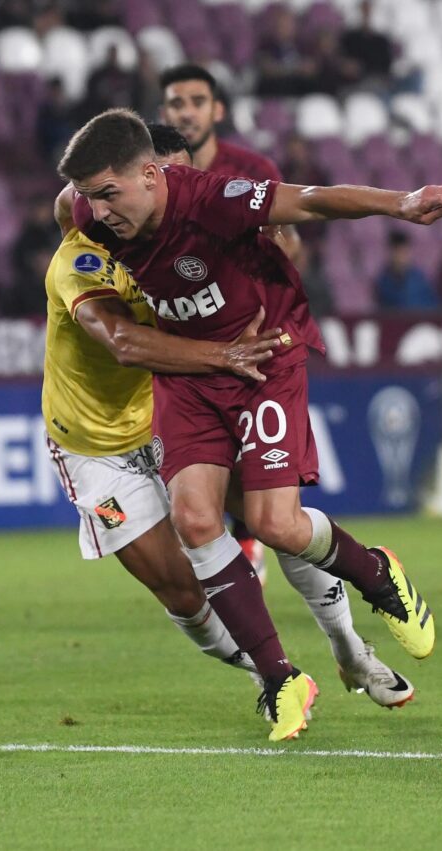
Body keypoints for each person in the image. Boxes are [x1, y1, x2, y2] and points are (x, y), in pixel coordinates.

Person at [58, 109, 442, 737]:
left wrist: (401, 203)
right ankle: (279, 677)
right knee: (194, 520)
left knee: (275, 524)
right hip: (190, 373)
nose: (99, 212)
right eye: (90, 197)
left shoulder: (212, 200)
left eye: (109, 194)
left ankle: (378, 576)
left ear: (152, 175)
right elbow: (68, 209)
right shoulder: (91, 212)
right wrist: (84, 198)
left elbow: (313, 201)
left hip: (264, 358)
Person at [160, 63, 300, 580]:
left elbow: (290, 241)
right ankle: (242, 547)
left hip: (256, 338)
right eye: (176, 103)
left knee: (258, 470)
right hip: (191, 342)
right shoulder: (150, 179)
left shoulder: (250, 167)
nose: (186, 111)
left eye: (196, 101)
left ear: (216, 110)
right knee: (202, 458)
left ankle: (274, 545)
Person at [376, 231, 438, 311]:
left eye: (405, 252)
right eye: (398, 252)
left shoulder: (421, 278)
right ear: (391, 252)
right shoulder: (384, 281)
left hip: (421, 320)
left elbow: (434, 303)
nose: (402, 256)